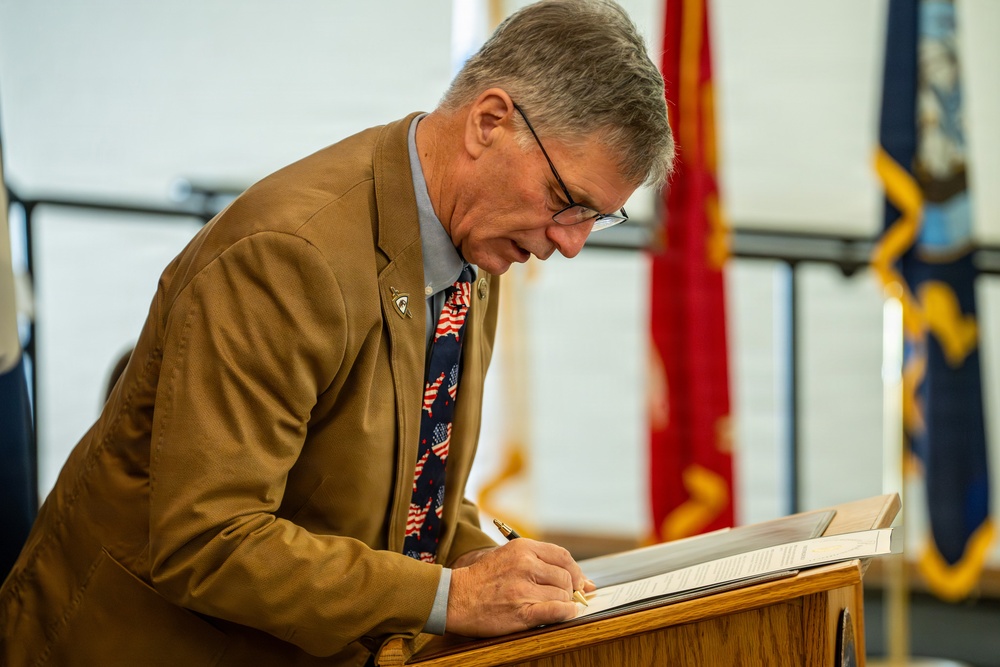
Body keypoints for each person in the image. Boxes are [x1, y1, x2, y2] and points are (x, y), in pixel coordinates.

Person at [0, 1, 674, 664]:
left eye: (596, 218)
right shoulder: (289, 256)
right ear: (490, 121)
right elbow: (209, 542)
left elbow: (397, 477)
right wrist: (450, 594)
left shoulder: (475, 235)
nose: (572, 243)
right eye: (567, 202)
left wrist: (489, 556)